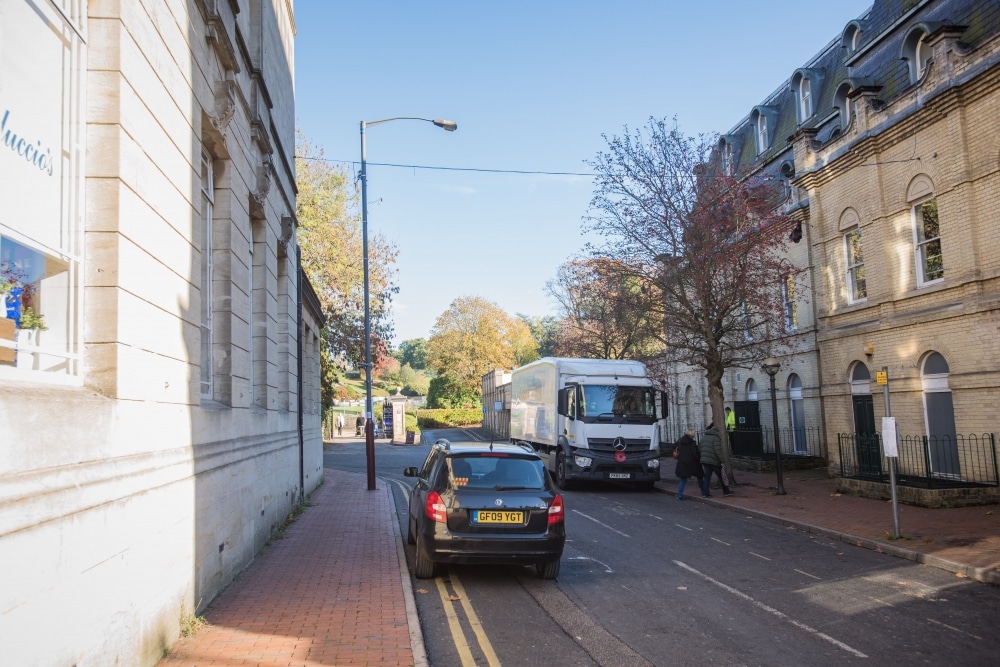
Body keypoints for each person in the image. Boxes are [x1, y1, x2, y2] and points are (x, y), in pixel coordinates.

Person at [699, 422, 732, 497]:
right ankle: (726, 491)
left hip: (705, 460)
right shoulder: (716, 438)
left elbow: (700, 448)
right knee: (722, 476)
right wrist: (722, 460)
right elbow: (718, 451)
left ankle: (705, 493)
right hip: (714, 461)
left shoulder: (704, 437)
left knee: (707, 477)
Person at [673, 428, 703, 500]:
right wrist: (699, 459)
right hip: (692, 463)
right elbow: (695, 454)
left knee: (683, 479)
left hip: (682, 462)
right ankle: (704, 491)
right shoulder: (692, 443)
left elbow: (673, 446)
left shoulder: (680, 441)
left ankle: (680, 495)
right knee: (700, 476)